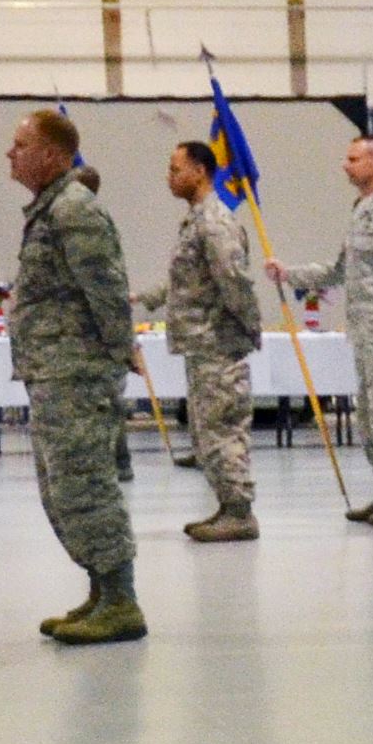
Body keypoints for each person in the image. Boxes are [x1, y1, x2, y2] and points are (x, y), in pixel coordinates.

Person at [4, 111, 146, 642]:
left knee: (86, 486)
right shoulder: (51, 208)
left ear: (51, 154)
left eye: (20, 145)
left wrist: (117, 356)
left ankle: (122, 602)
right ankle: (101, 592)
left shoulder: (74, 209)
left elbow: (107, 291)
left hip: (77, 374)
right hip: (55, 372)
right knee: (63, 489)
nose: (10, 154)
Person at [270, 133, 373, 528]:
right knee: (372, 417)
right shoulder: (363, 209)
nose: (345, 166)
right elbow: (339, 270)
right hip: (367, 333)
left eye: (354, 159)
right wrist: (289, 274)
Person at [150, 141, 266, 543]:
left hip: (218, 343)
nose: (169, 177)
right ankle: (227, 505)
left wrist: (249, 327)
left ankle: (239, 513)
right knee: (207, 430)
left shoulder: (215, 221)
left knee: (223, 429)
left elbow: (234, 282)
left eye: (175, 169)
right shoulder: (195, 220)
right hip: (202, 344)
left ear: (199, 171)